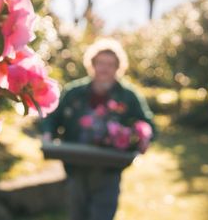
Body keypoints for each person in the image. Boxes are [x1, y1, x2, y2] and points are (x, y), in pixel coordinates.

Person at [41, 38, 156, 220]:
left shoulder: (128, 96)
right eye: (101, 63)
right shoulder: (74, 92)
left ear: (118, 67)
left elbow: (148, 124)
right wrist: (48, 133)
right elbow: (53, 118)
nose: (104, 68)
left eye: (110, 64)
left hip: (109, 168)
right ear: (92, 64)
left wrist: (143, 137)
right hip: (76, 165)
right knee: (77, 213)